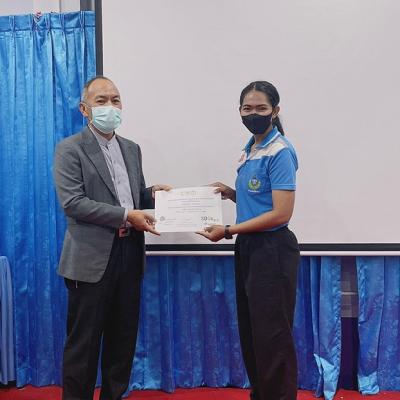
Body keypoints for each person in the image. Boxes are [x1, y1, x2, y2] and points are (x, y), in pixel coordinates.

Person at [53, 76, 170, 400]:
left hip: (129, 254)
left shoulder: (131, 149)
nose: (110, 107)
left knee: (122, 342)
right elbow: (73, 203)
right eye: (101, 101)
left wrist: (153, 195)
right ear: (84, 109)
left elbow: (132, 197)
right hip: (90, 259)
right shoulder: (70, 149)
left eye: (115, 100)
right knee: (83, 346)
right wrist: (127, 216)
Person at [198, 81, 300, 400]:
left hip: (272, 250)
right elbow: (259, 199)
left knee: (273, 337)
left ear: (275, 111)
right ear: (239, 111)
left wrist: (229, 230)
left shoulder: (280, 151)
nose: (253, 114)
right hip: (249, 247)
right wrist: (231, 193)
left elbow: (281, 213)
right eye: (247, 108)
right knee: (253, 332)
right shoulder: (250, 149)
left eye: (261, 108)